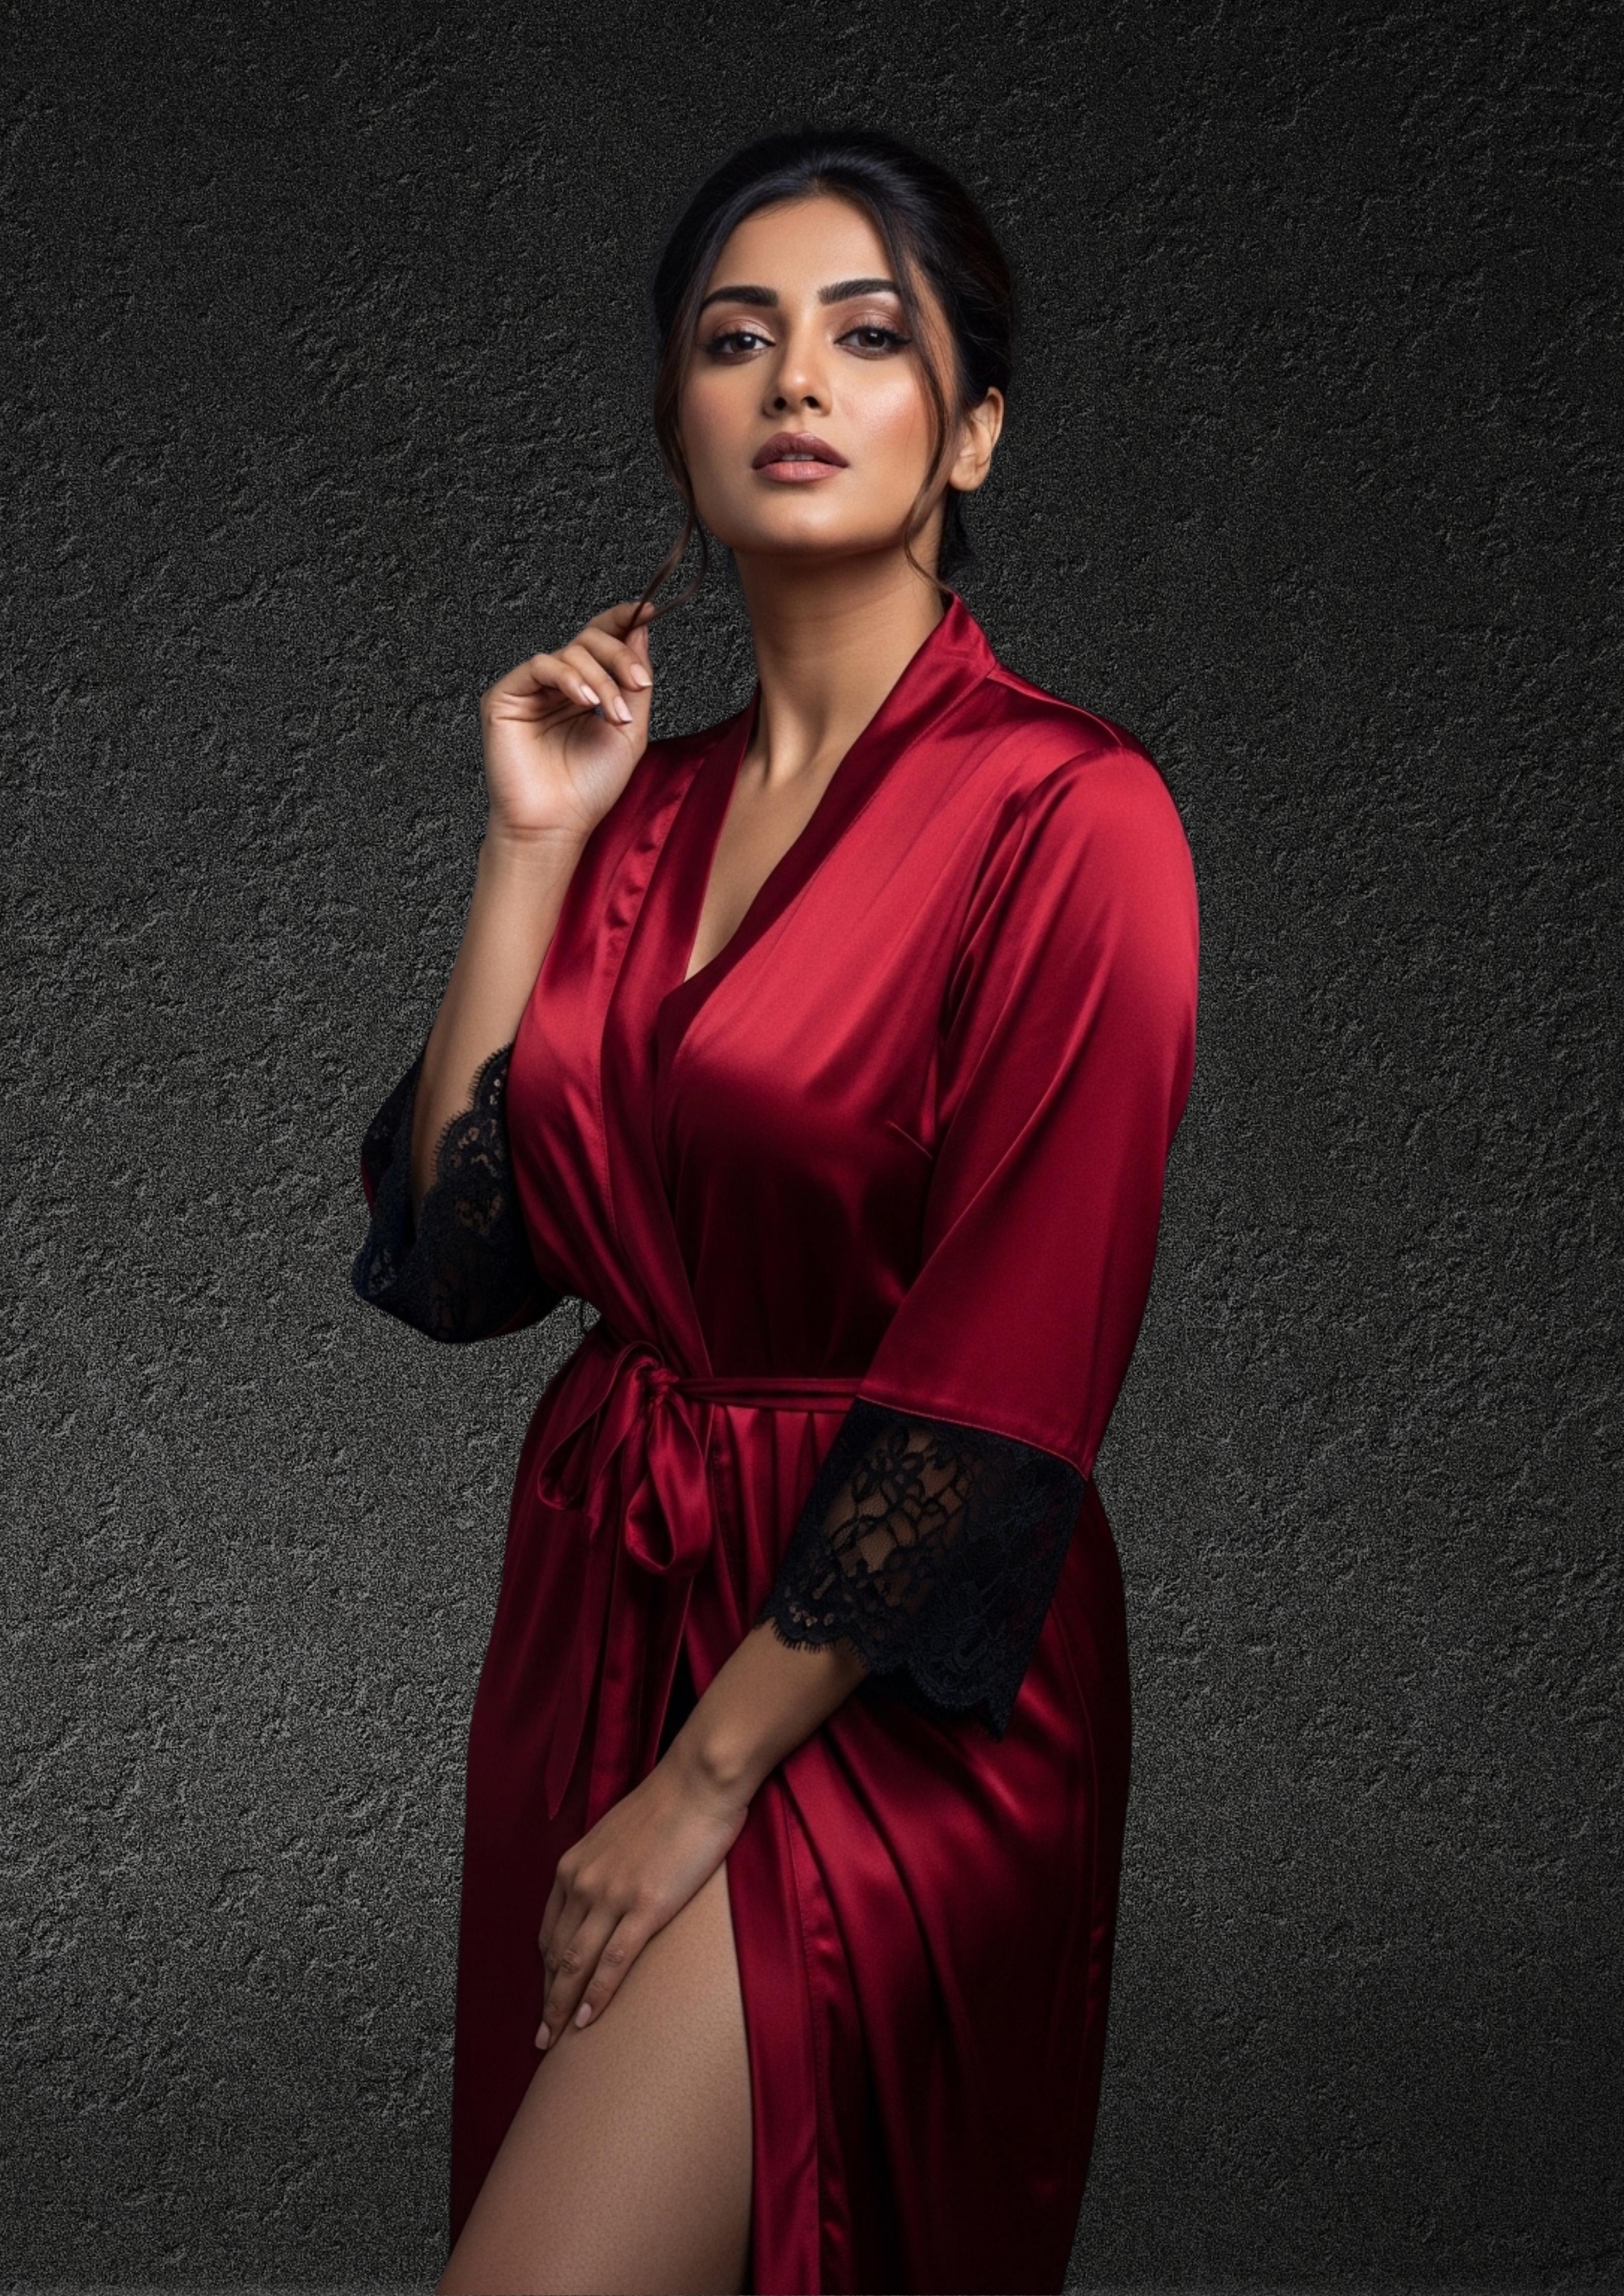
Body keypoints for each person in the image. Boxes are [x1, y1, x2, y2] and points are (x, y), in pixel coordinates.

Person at [351, 123, 1199, 2296]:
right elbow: (457, 1259)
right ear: (678, 419)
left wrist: (701, 1784)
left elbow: (1006, 1385)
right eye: (737, 340)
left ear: (973, 427)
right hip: (605, 1612)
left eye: (867, 335)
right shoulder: (637, 819)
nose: (796, 380)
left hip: (889, 1677)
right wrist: (528, 847)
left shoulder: (1071, 814)